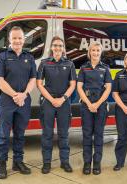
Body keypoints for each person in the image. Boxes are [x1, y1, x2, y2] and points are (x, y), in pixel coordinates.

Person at [0, 26, 36, 179]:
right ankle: (1, 164)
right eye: (14, 38)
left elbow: (33, 79)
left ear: (24, 39)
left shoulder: (29, 57)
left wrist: (23, 95)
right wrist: (15, 95)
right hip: (6, 101)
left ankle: (18, 162)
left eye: (20, 38)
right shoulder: (2, 56)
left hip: (23, 102)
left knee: (20, 134)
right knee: (4, 135)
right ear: (9, 40)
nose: (17, 41)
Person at [37, 36, 76, 174]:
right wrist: (51, 99)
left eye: (60, 45)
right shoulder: (44, 63)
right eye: (55, 45)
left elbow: (73, 85)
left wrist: (63, 98)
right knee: (47, 133)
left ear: (63, 48)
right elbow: (39, 84)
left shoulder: (70, 64)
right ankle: (46, 163)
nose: (58, 48)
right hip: (48, 102)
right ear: (51, 47)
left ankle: (64, 162)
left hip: (64, 103)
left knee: (63, 134)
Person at [77, 41, 112, 175]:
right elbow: (79, 87)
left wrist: (97, 104)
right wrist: (88, 103)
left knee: (98, 135)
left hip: (101, 105)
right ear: (89, 52)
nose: (96, 53)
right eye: (93, 50)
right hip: (86, 105)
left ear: (100, 52)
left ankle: (97, 162)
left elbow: (108, 88)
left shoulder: (105, 68)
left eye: (98, 50)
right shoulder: (83, 68)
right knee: (86, 135)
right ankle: (87, 162)